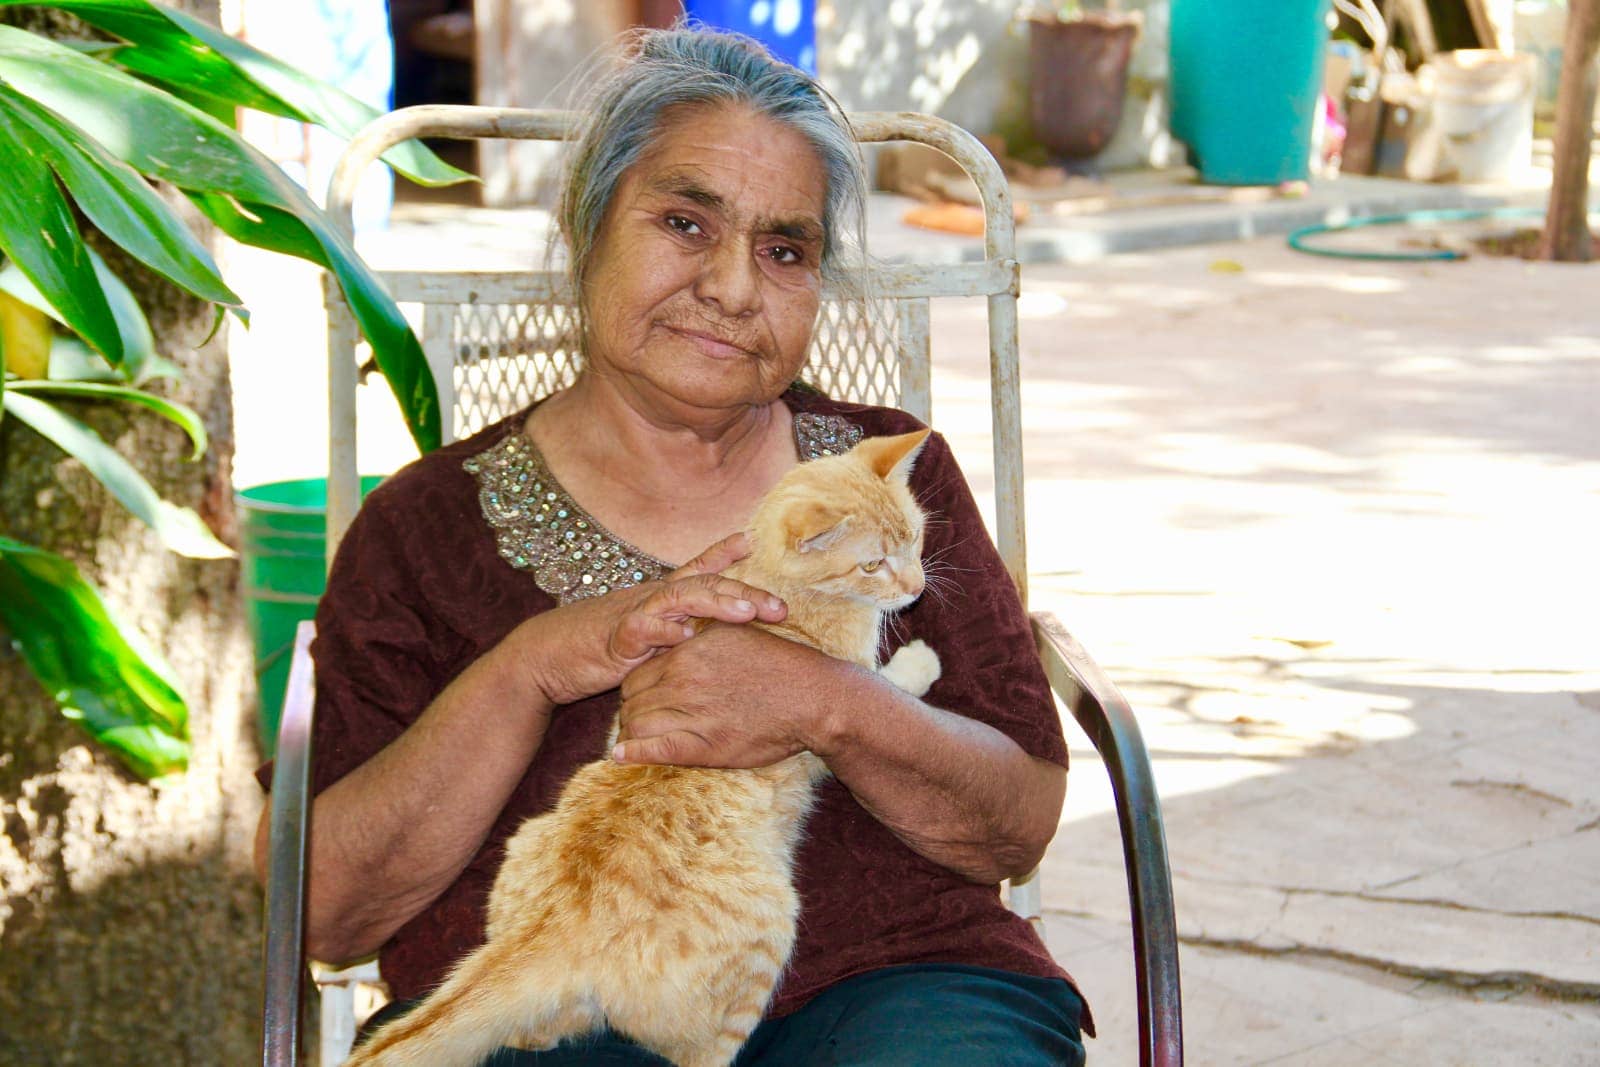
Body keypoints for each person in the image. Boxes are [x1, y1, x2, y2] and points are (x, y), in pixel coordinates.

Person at [254, 26, 1091, 1066]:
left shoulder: (884, 480)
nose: (735, 288)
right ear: (587, 229)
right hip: (555, 1003)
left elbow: (1015, 824)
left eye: (785, 249)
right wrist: (530, 668)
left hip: (902, 975)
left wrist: (828, 699)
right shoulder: (427, 527)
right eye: (686, 223)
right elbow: (328, 913)